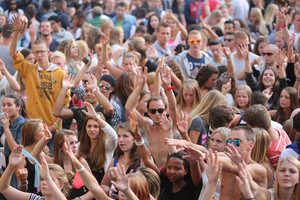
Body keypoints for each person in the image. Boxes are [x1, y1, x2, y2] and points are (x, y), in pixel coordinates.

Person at [10, 15, 71, 136]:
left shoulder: (60, 73)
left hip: (54, 129)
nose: (39, 55)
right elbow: (13, 53)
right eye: (36, 52)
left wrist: (55, 126)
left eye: (42, 51)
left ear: (48, 53)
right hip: (34, 127)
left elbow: (64, 105)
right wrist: (17, 32)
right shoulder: (29, 69)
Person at [0, 145, 71, 200]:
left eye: (51, 180)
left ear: (61, 185)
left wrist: (47, 177)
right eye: (42, 179)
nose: (44, 182)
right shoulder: (35, 198)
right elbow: (4, 189)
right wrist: (10, 166)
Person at [100, 122, 143, 196]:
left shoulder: (142, 160)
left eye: (125, 136)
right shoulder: (115, 160)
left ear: (134, 138)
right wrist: (109, 191)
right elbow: (103, 185)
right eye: (119, 136)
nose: (120, 140)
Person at [0, 94, 26, 161]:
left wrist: (6, 129)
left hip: (17, 165)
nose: (5, 108)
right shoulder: (3, 122)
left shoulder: (23, 124)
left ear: (18, 107)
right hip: (5, 163)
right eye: (4, 105)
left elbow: (17, 150)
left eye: (9, 105)